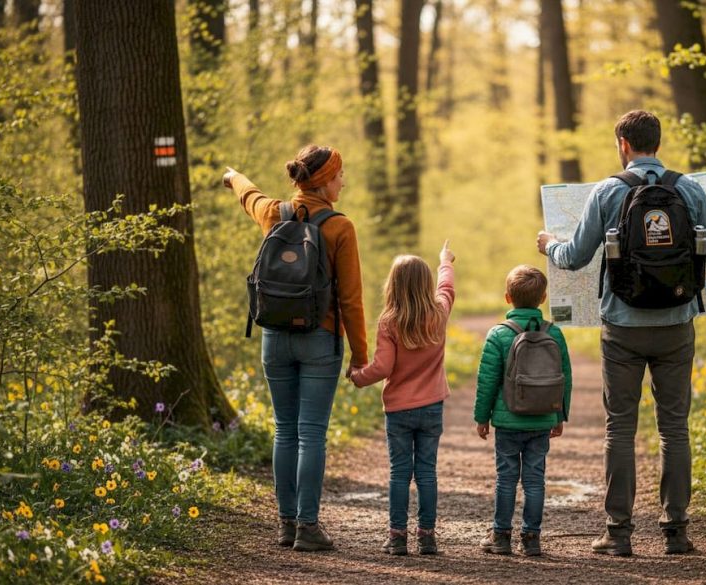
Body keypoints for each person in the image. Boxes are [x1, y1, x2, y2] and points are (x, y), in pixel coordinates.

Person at [536, 110, 706, 557]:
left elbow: (574, 257)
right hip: (677, 325)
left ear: (624, 145)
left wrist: (549, 245)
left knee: (620, 428)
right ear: (657, 143)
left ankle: (618, 532)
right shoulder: (689, 189)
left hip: (622, 328)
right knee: (674, 428)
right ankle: (676, 531)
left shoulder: (607, 191)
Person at [223, 145, 368, 552]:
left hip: (274, 336)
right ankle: (308, 526)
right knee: (312, 434)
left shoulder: (275, 213)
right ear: (324, 181)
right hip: (320, 338)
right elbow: (351, 300)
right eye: (339, 176)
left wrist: (232, 176)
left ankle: (286, 524)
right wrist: (360, 356)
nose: (343, 183)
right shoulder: (340, 227)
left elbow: (249, 196)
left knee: (284, 430)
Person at [347, 242, 456, 556]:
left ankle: (397, 537)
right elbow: (447, 286)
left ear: (393, 285)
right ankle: (427, 536)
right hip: (432, 406)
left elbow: (383, 367)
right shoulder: (439, 312)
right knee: (427, 472)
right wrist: (445, 260)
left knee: (399, 472)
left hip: (398, 410)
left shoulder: (389, 322)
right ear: (425, 284)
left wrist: (358, 376)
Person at [473, 265, 573, 557]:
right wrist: (559, 415)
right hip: (541, 419)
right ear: (543, 299)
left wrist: (482, 417)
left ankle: (501, 536)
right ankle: (531, 538)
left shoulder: (498, 334)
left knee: (506, 478)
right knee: (535, 479)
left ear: (508, 298)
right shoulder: (554, 333)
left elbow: (487, 380)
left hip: (508, 421)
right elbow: (564, 378)